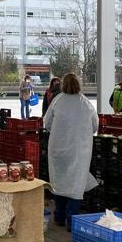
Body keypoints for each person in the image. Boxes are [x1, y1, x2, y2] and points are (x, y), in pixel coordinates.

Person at [44, 73, 98, 231]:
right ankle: (72, 220)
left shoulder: (57, 101)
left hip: (58, 149)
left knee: (59, 182)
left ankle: (59, 216)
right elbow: (95, 126)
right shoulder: (85, 103)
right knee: (76, 182)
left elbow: (47, 123)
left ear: (63, 85)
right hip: (79, 150)